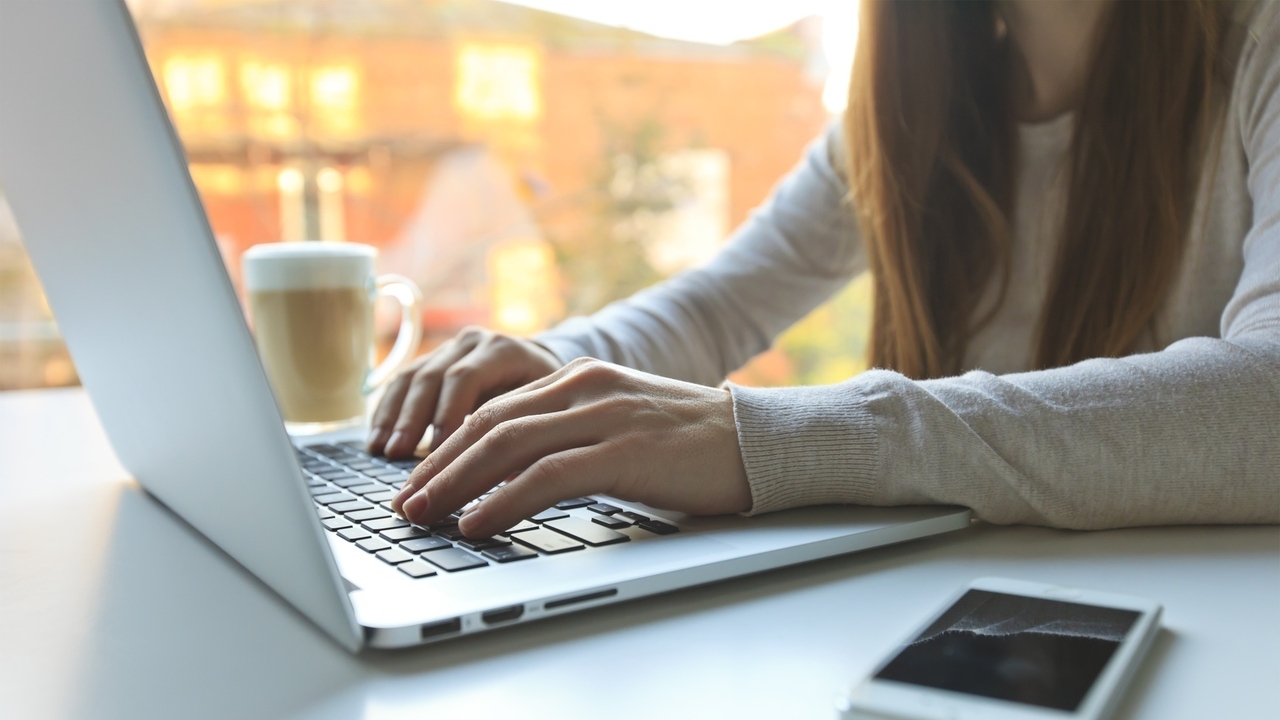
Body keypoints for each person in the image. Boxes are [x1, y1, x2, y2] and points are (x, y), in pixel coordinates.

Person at [369, 0, 1280, 539]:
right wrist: (554, 368)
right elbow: (718, 306)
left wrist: (768, 442)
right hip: (960, 619)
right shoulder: (908, 111)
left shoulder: (1259, 49)